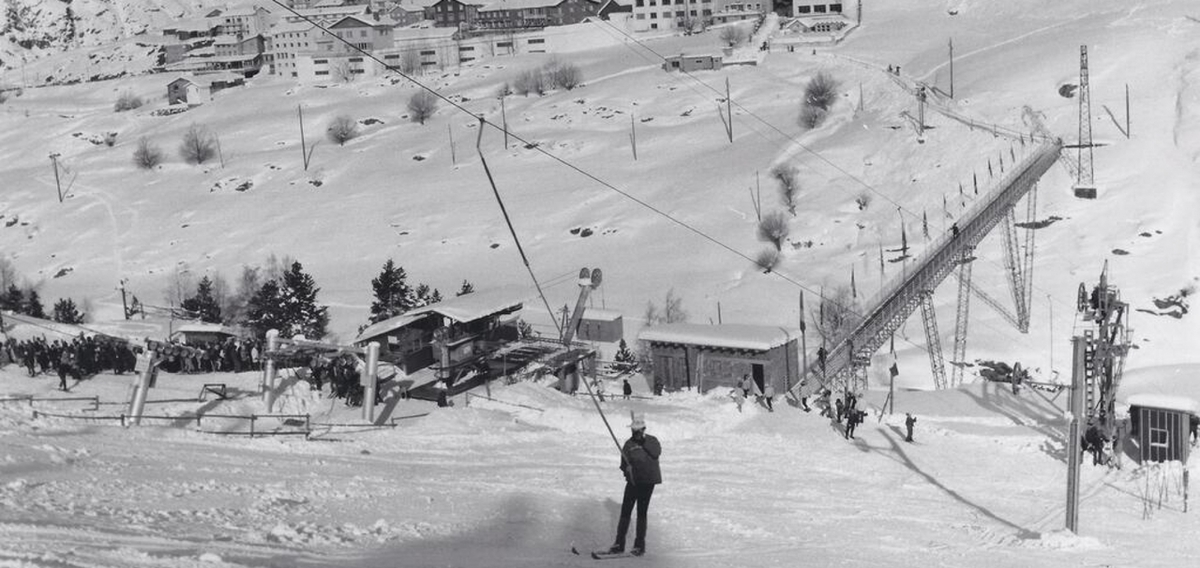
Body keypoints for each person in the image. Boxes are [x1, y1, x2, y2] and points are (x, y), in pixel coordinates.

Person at [608, 413, 661, 557]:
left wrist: (643, 440)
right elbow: (623, 464)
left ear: (643, 430)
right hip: (633, 482)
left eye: (637, 431)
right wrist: (627, 470)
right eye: (633, 431)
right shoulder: (628, 444)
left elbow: (656, 453)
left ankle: (639, 546)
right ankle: (619, 544)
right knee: (625, 511)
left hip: (647, 482)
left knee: (641, 512)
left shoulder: (652, 441)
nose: (635, 433)